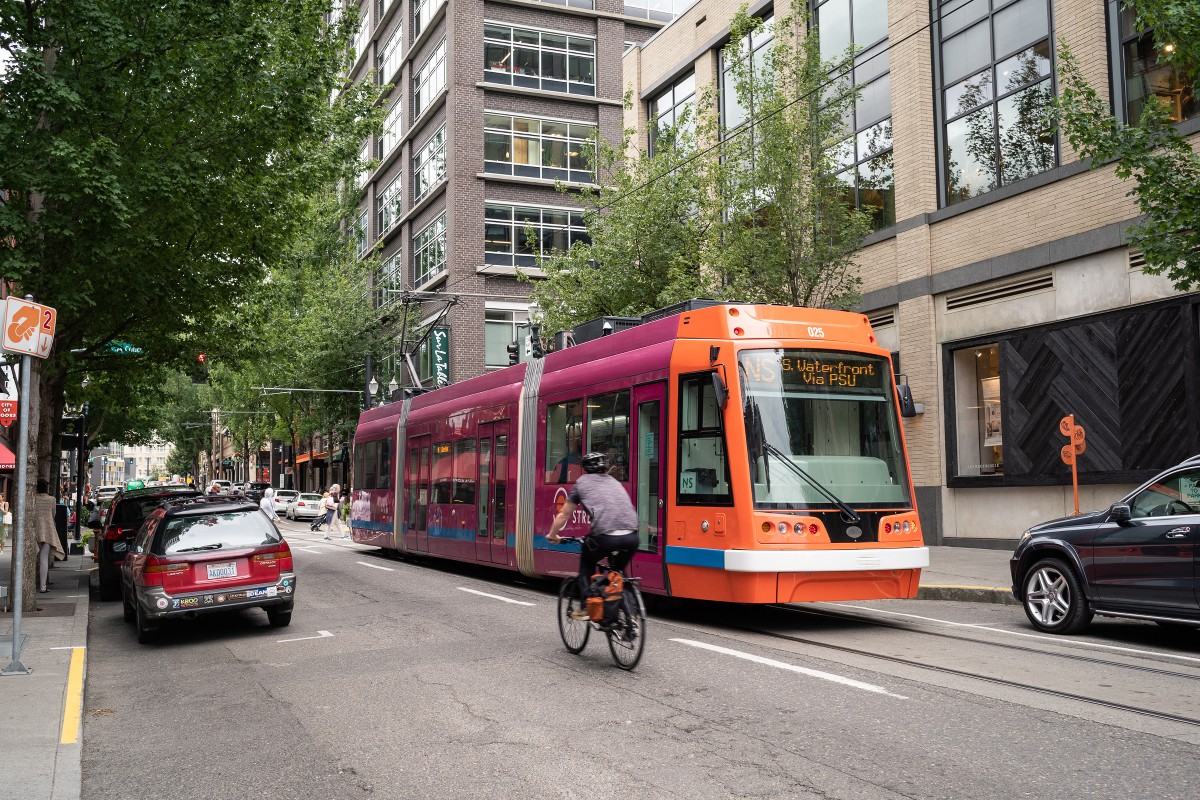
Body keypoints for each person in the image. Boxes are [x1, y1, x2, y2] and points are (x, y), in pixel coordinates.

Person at [546, 452, 640, 611]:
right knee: (617, 572)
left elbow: (563, 514)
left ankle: (586, 607)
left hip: (605, 536)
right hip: (632, 537)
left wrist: (552, 535)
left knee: (587, 562)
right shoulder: (614, 482)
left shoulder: (581, 482)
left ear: (585, 468)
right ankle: (629, 615)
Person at [34, 478, 66, 593]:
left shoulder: (33, 499)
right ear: (47, 488)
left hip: (35, 529)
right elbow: (53, 514)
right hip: (48, 529)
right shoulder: (52, 499)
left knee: (31, 557)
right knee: (44, 558)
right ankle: (43, 587)